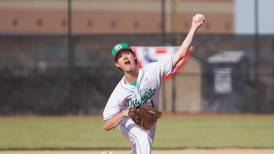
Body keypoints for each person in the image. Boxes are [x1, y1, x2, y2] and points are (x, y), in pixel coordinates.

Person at [103, 14, 205, 154]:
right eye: (120, 57)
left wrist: (193, 27)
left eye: (127, 53)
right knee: (143, 139)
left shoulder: (153, 70)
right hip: (127, 121)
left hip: (149, 120)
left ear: (134, 57)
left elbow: (180, 54)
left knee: (142, 147)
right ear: (117, 65)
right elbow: (107, 124)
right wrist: (124, 113)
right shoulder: (119, 92)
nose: (125, 57)